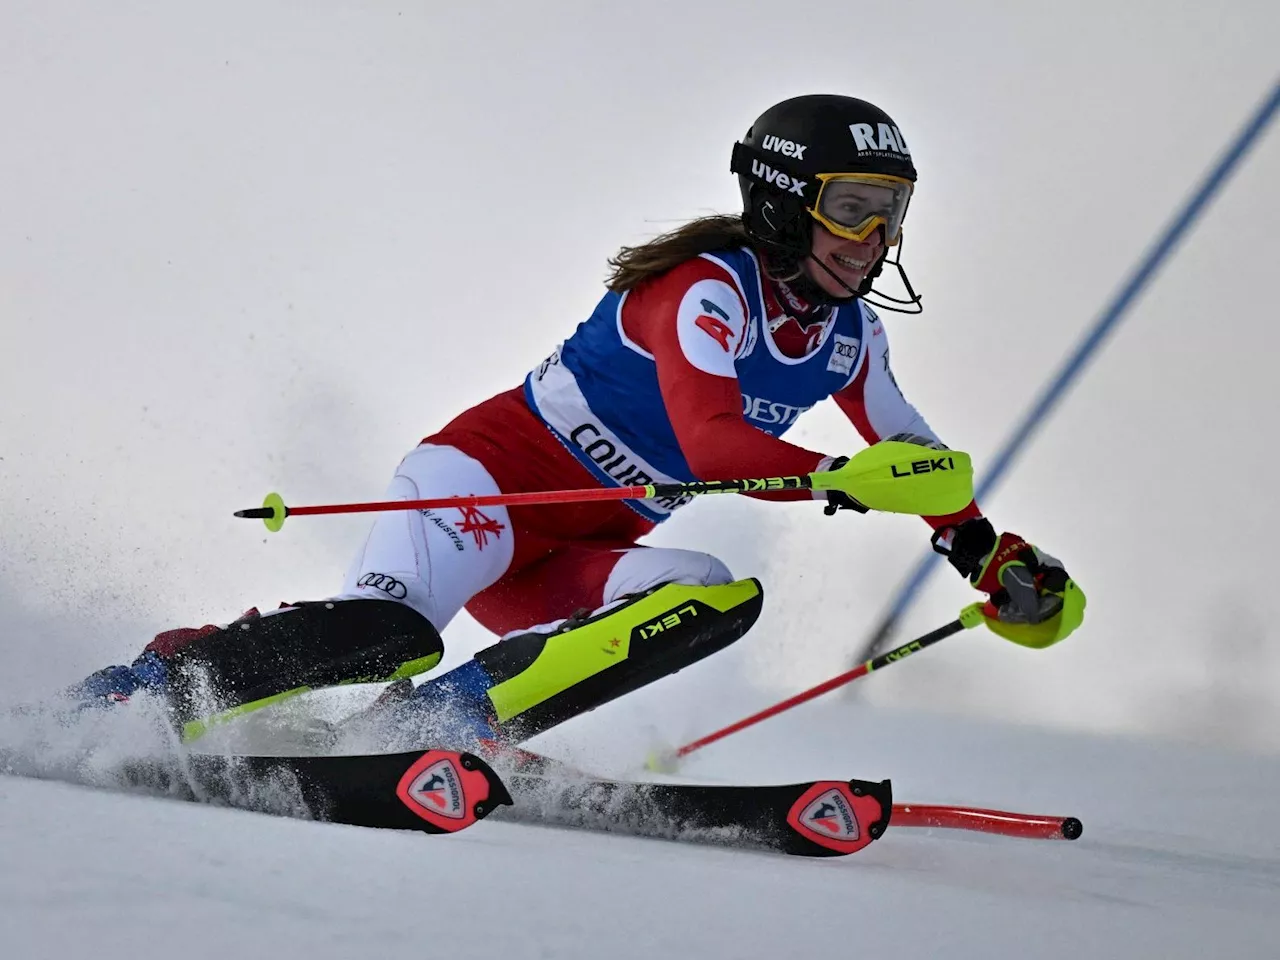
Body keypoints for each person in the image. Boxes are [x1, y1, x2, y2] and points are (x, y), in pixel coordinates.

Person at [70, 94, 1078, 748]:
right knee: (393, 631)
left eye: (890, 212)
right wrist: (826, 476)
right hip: (488, 490)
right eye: (851, 206)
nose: (872, 238)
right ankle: (148, 683)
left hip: (580, 549)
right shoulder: (702, 290)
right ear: (782, 201)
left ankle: (443, 723)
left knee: (709, 596)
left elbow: (919, 463)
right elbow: (705, 443)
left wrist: (993, 560)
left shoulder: (849, 336)